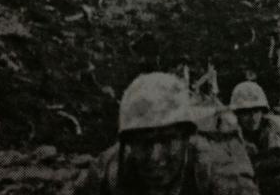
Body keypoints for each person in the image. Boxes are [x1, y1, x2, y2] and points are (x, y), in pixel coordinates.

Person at [80, 72, 259, 195]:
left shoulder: (218, 172)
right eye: (143, 143)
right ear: (128, 144)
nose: (155, 156)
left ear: (186, 137)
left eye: (167, 140)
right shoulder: (109, 172)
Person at [228, 81, 280, 155]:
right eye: (246, 112)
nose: (252, 117)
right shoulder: (231, 136)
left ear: (262, 111)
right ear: (237, 114)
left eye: (256, 111)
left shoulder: (274, 124)